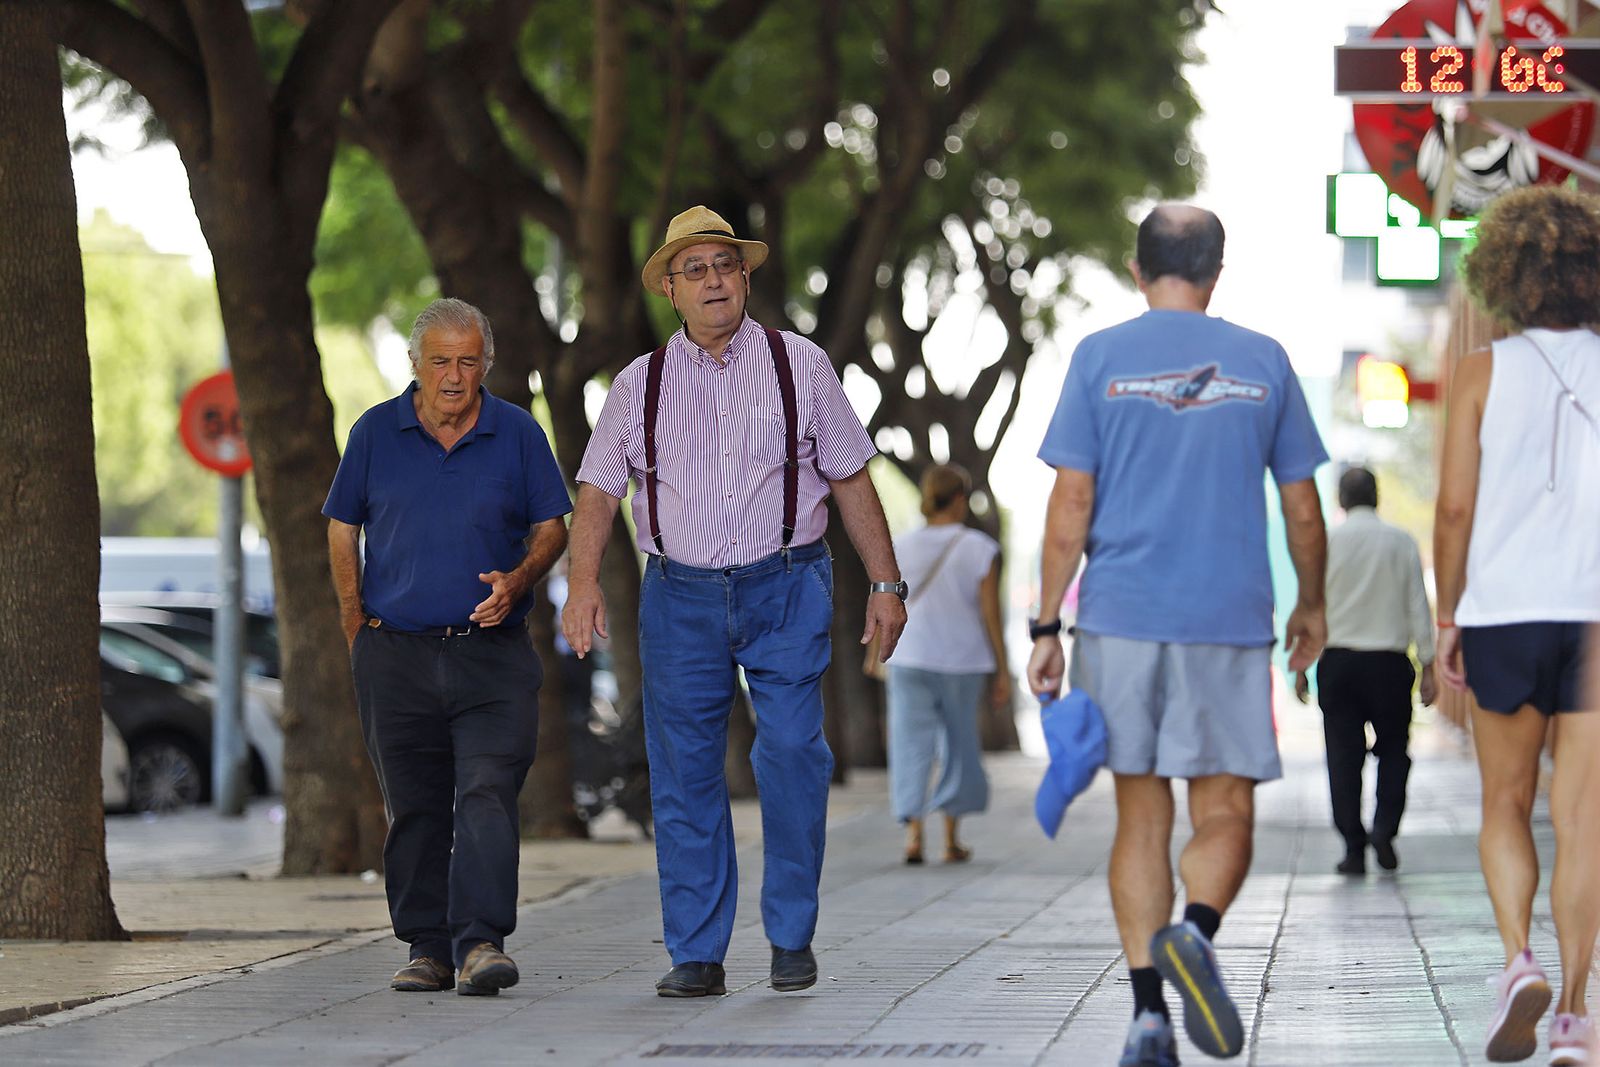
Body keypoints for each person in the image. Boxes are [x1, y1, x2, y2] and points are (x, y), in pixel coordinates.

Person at [561, 206, 906, 999]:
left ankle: (790, 933)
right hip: (678, 596)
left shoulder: (800, 364)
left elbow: (852, 476)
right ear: (671, 290)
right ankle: (696, 951)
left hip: (786, 583)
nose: (713, 279)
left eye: (725, 264)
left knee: (792, 752)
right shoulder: (637, 385)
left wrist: (885, 583)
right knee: (684, 771)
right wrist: (582, 584)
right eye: (696, 269)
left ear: (746, 278)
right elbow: (598, 491)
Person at [1026, 205, 1328, 1067]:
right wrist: (1312, 603)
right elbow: (1304, 508)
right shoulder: (1264, 360)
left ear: (1137, 268)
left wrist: (1047, 623)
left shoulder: (1098, 357)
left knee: (1141, 812)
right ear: (1216, 271)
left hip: (1120, 616)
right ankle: (1195, 928)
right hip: (1228, 618)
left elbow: (1071, 502)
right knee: (1226, 809)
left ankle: (1148, 1016)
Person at [324, 298, 572, 997]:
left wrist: (519, 577)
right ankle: (427, 947)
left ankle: (481, 943)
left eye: (468, 361)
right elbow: (342, 529)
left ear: (487, 363)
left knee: (488, 792)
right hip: (394, 655)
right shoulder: (374, 432)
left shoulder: (518, 432)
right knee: (415, 805)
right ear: (415, 363)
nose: (455, 376)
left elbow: (553, 525)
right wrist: (355, 625)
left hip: (492, 656)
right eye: (440, 361)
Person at [1434, 184, 1600, 1065]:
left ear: (1503, 273)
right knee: (1582, 816)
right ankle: (1573, 1012)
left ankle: (1518, 962)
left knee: (1505, 801)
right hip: (1595, 615)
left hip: (1502, 610)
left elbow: (1455, 508)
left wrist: (1446, 614)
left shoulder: (1480, 371)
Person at [1295, 466, 1437, 875]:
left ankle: (1353, 847)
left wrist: (1302, 666)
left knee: (1342, 757)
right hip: (1389, 664)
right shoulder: (1401, 541)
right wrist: (1428, 665)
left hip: (1338, 663)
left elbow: (1310, 605)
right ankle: (1384, 830)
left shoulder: (1326, 543)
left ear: (1341, 499)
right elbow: (1418, 605)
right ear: (1376, 496)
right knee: (1394, 751)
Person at [886, 463, 1007, 865]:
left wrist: (876, 653)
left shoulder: (900, 545)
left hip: (909, 657)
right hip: (962, 660)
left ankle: (913, 835)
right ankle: (951, 839)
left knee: (909, 743)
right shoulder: (979, 548)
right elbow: (991, 614)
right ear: (959, 499)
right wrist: (1001, 668)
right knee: (957, 744)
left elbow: (886, 600)